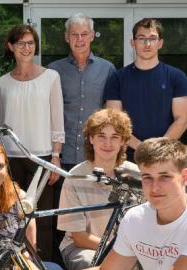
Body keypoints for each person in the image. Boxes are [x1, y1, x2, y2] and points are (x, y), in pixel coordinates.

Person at [99, 137, 187, 270]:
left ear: (185, 177)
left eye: (165, 177)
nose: (155, 188)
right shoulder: (134, 218)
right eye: (147, 177)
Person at [0, 24, 65, 264]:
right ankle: (15, 263)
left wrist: (56, 156)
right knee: (12, 215)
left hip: (43, 158)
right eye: (22, 43)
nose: (27, 48)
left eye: (31, 43)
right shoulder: (2, 83)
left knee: (42, 219)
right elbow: (1, 124)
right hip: (11, 159)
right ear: (11, 47)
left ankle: (40, 264)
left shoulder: (51, 77)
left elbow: (58, 118)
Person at [57, 108, 138, 270]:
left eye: (114, 137)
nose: (107, 144)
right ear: (91, 139)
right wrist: (117, 252)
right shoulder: (75, 178)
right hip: (82, 248)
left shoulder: (137, 175)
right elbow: (79, 237)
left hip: (128, 250)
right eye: (101, 136)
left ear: (123, 141)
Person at [103, 18, 187, 158]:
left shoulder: (176, 77)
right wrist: (142, 148)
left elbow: (181, 120)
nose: (147, 43)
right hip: (127, 156)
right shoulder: (117, 78)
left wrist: (159, 148)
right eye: (141, 38)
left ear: (160, 43)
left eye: (152, 38)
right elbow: (115, 122)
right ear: (133, 43)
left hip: (166, 155)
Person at [47, 12, 116, 174]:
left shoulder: (107, 69)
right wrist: (54, 154)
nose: (79, 39)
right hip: (61, 156)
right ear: (66, 37)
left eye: (84, 34)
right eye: (74, 34)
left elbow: (112, 114)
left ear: (92, 36)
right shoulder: (53, 70)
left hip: (95, 155)